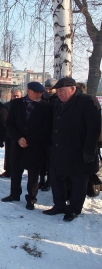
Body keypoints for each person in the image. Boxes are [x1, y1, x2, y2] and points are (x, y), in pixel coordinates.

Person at [43, 77, 101, 222]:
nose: (59, 94)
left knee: (79, 181)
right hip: (58, 149)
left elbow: (94, 129)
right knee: (56, 178)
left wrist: (88, 150)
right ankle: (59, 205)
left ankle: (74, 209)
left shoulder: (87, 101)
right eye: (58, 91)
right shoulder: (57, 103)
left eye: (62, 91)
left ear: (73, 89)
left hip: (79, 151)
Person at [1, 82, 52, 210]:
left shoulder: (45, 106)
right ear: (28, 91)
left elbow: (46, 128)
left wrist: (29, 140)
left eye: (41, 92)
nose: (39, 95)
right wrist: (18, 138)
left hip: (35, 145)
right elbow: (9, 123)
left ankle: (31, 198)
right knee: (15, 170)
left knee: (33, 173)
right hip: (17, 144)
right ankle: (14, 194)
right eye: (37, 92)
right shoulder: (17, 104)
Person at [38, 78, 59, 191]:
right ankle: (41, 179)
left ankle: (49, 180)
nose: (48, 91)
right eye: (46, 88)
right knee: (41, 159)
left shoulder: (57, 100)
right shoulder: (42, 98)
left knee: (50, 160)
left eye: (50, 89)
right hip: (42, 132)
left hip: (52, 133)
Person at [0, 88, 22, 178]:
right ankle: (8, 170)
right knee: (8, 154)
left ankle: (17, 171)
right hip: (9, 134)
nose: (16, 97)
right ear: (11, 96)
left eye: (17, 96)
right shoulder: (6, 106)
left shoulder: (24, 105)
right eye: (14, 95)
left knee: (18, 155)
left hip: (20, 135)